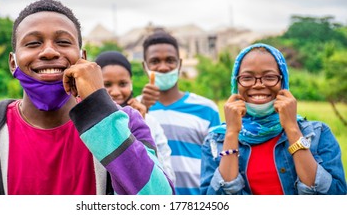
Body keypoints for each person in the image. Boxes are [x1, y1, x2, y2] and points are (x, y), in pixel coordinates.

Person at [0, 0, 174, 195]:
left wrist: (99, 107)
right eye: (33, 43)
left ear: (84, 58)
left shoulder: (127, 124)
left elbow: (161, 201)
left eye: (63, 42)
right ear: (13, 62)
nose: (49, 52)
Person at [200, 43, 347, 195]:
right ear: (236, 82)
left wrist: (292, 128)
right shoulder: (215, 141)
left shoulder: (318, 134)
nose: (258, 85)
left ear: (283, 82)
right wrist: (231, 133)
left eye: (269, 77)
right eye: (247, 78)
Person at [139, 30, 221, 195]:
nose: (163, 67)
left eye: (170, 60)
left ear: (180, 64)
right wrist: (143, 112)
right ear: (145, 66)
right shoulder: (133, 110)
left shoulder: (207, 109)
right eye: (155, 61)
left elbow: (218, 163)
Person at [95, 50, 176, 183]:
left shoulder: (149, 122)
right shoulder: (88, 125)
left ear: (131, 83)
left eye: (123, 84)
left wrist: (140, 129)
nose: (115, 92)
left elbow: (168, 179)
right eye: (107, 85)